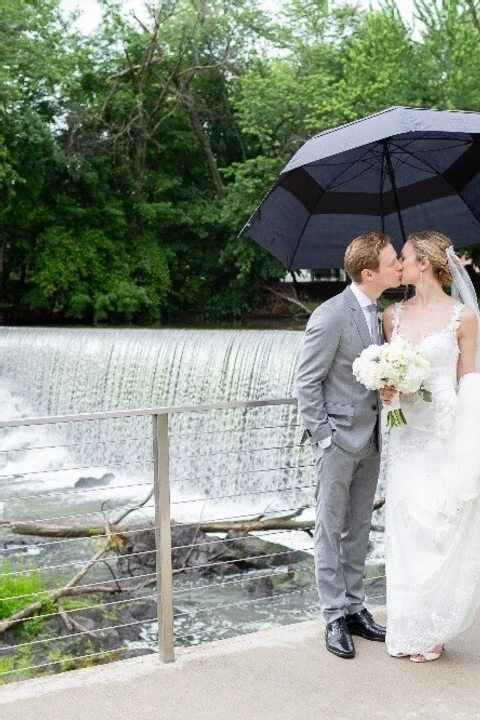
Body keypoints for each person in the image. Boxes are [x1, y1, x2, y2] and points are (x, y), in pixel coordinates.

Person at [296, 232, 402, 659]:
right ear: (368, 272)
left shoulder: (382, 315)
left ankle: (356, 608)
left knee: (359, 526)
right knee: (329, 527)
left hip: (373, 437)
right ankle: (333, 615)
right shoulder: (329, 315)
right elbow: (307, 382)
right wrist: (325, 438)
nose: (399, 265)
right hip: (337, 441)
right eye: (393, 259)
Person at [381, 230, 480, 662]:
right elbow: (388, 370)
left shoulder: (465, 316)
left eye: (402, 256)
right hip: (405, 433)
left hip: (445, 430)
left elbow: (469, 379)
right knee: (404, 526)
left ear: (424, 263)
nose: (397, 263)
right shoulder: (392, 316)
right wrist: (386, 391)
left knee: (440, 526)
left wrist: (471, 441)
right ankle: (408, 625)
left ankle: (435, 627)